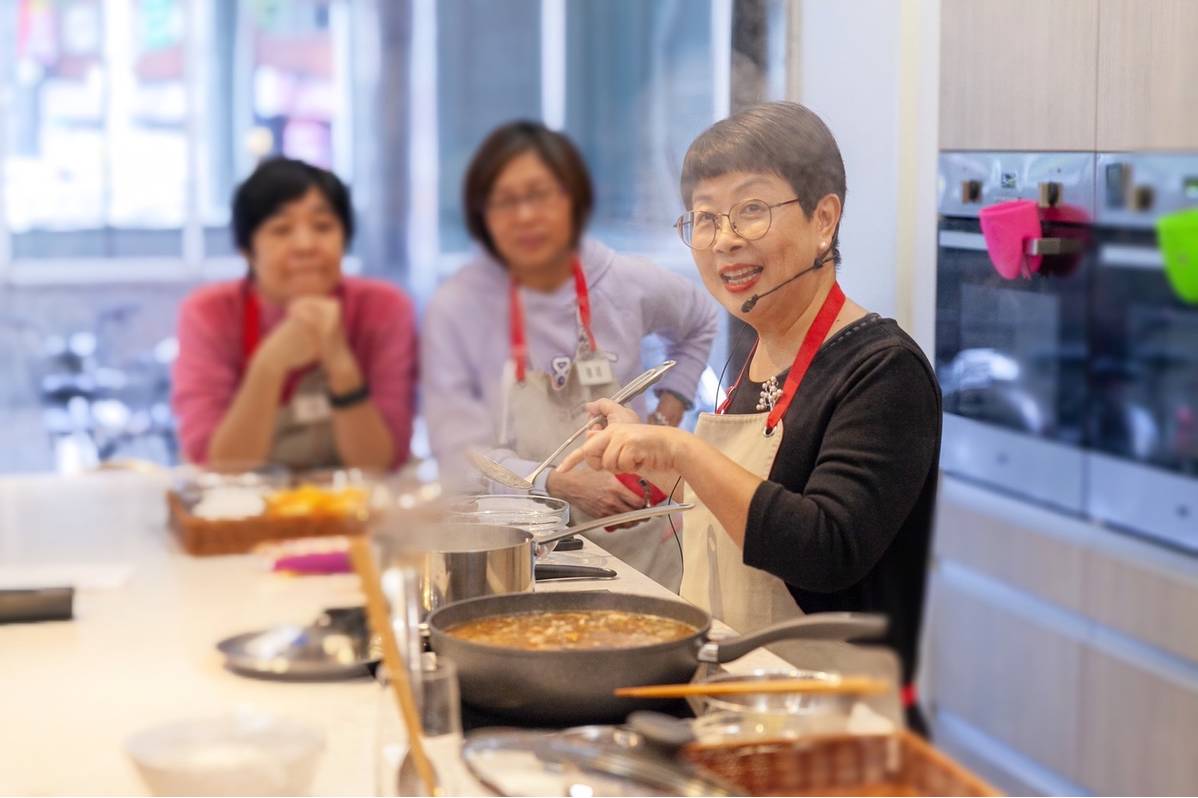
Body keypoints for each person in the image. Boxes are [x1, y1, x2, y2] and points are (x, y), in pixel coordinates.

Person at [559, 102, 941, 731]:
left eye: (751, 209)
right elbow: (745, 504)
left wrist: (684, 451)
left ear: (825, 219)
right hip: (734, 702)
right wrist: (652, 456)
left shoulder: (883, 370)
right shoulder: (753, 351)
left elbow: (824, 548)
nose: (725, 238)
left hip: (830, 725)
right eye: (705, 218)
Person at [422, 121, 719, 591]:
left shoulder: (623, 280)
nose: (525, 216)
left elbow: (701, 319)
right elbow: (460, 458)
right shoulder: (462, 308)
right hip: (523, 544)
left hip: (638, 532)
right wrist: (561, 484)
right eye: (504, 201)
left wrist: (665, 417)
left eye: (541, 195)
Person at [172, 157, 418, 471]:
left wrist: (340, 362)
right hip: (243, 511)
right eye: (281, 229)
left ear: (345, 240)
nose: (305, 245)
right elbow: (218, 466)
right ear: (247, 250)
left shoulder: (383, 309)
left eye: (323, 226)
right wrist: (268, 366)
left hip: (355, 510)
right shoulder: (209, 314)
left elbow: (382, 463)